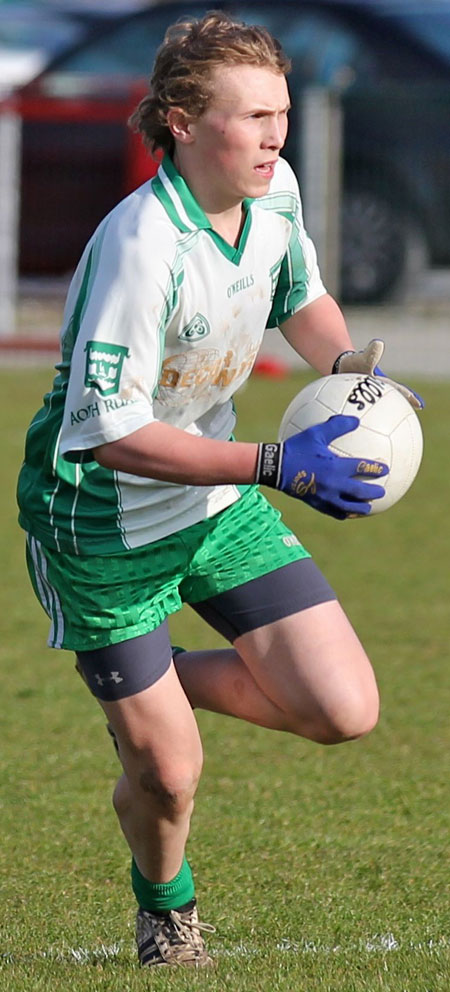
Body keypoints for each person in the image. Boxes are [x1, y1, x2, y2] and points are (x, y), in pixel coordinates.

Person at [17, 11, 423, 969]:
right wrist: (279, 467)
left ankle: (148, 685)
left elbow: (298, 299)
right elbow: (109, 433)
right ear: (183, 122)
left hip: (212, 506)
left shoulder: (274, 192)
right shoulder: (141, 246)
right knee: (168, 772)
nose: (277, 134)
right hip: (101, 525)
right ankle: (166, 913)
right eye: (253, 117)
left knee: (343, 710)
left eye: (282, 112)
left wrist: (354, 378)